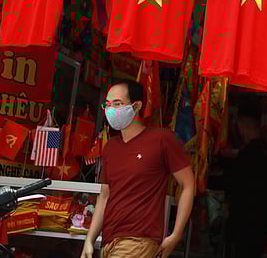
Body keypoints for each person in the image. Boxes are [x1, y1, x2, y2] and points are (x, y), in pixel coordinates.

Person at [80, 79, 195, 258]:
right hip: (109, 241)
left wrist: (176, 233)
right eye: (108, 105)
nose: (111, 110)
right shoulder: (110, 147)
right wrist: (89, 239)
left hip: (139, 240)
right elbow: (105, 196)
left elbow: (188, 184)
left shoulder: (161, 139)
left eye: (118, 104)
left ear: (136, 106)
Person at [225, 102, 267, 258]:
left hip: (243, 227)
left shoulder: (246, 156)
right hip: (260, 228)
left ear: (240, 124)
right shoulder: (266, 154)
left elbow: (232, 188)